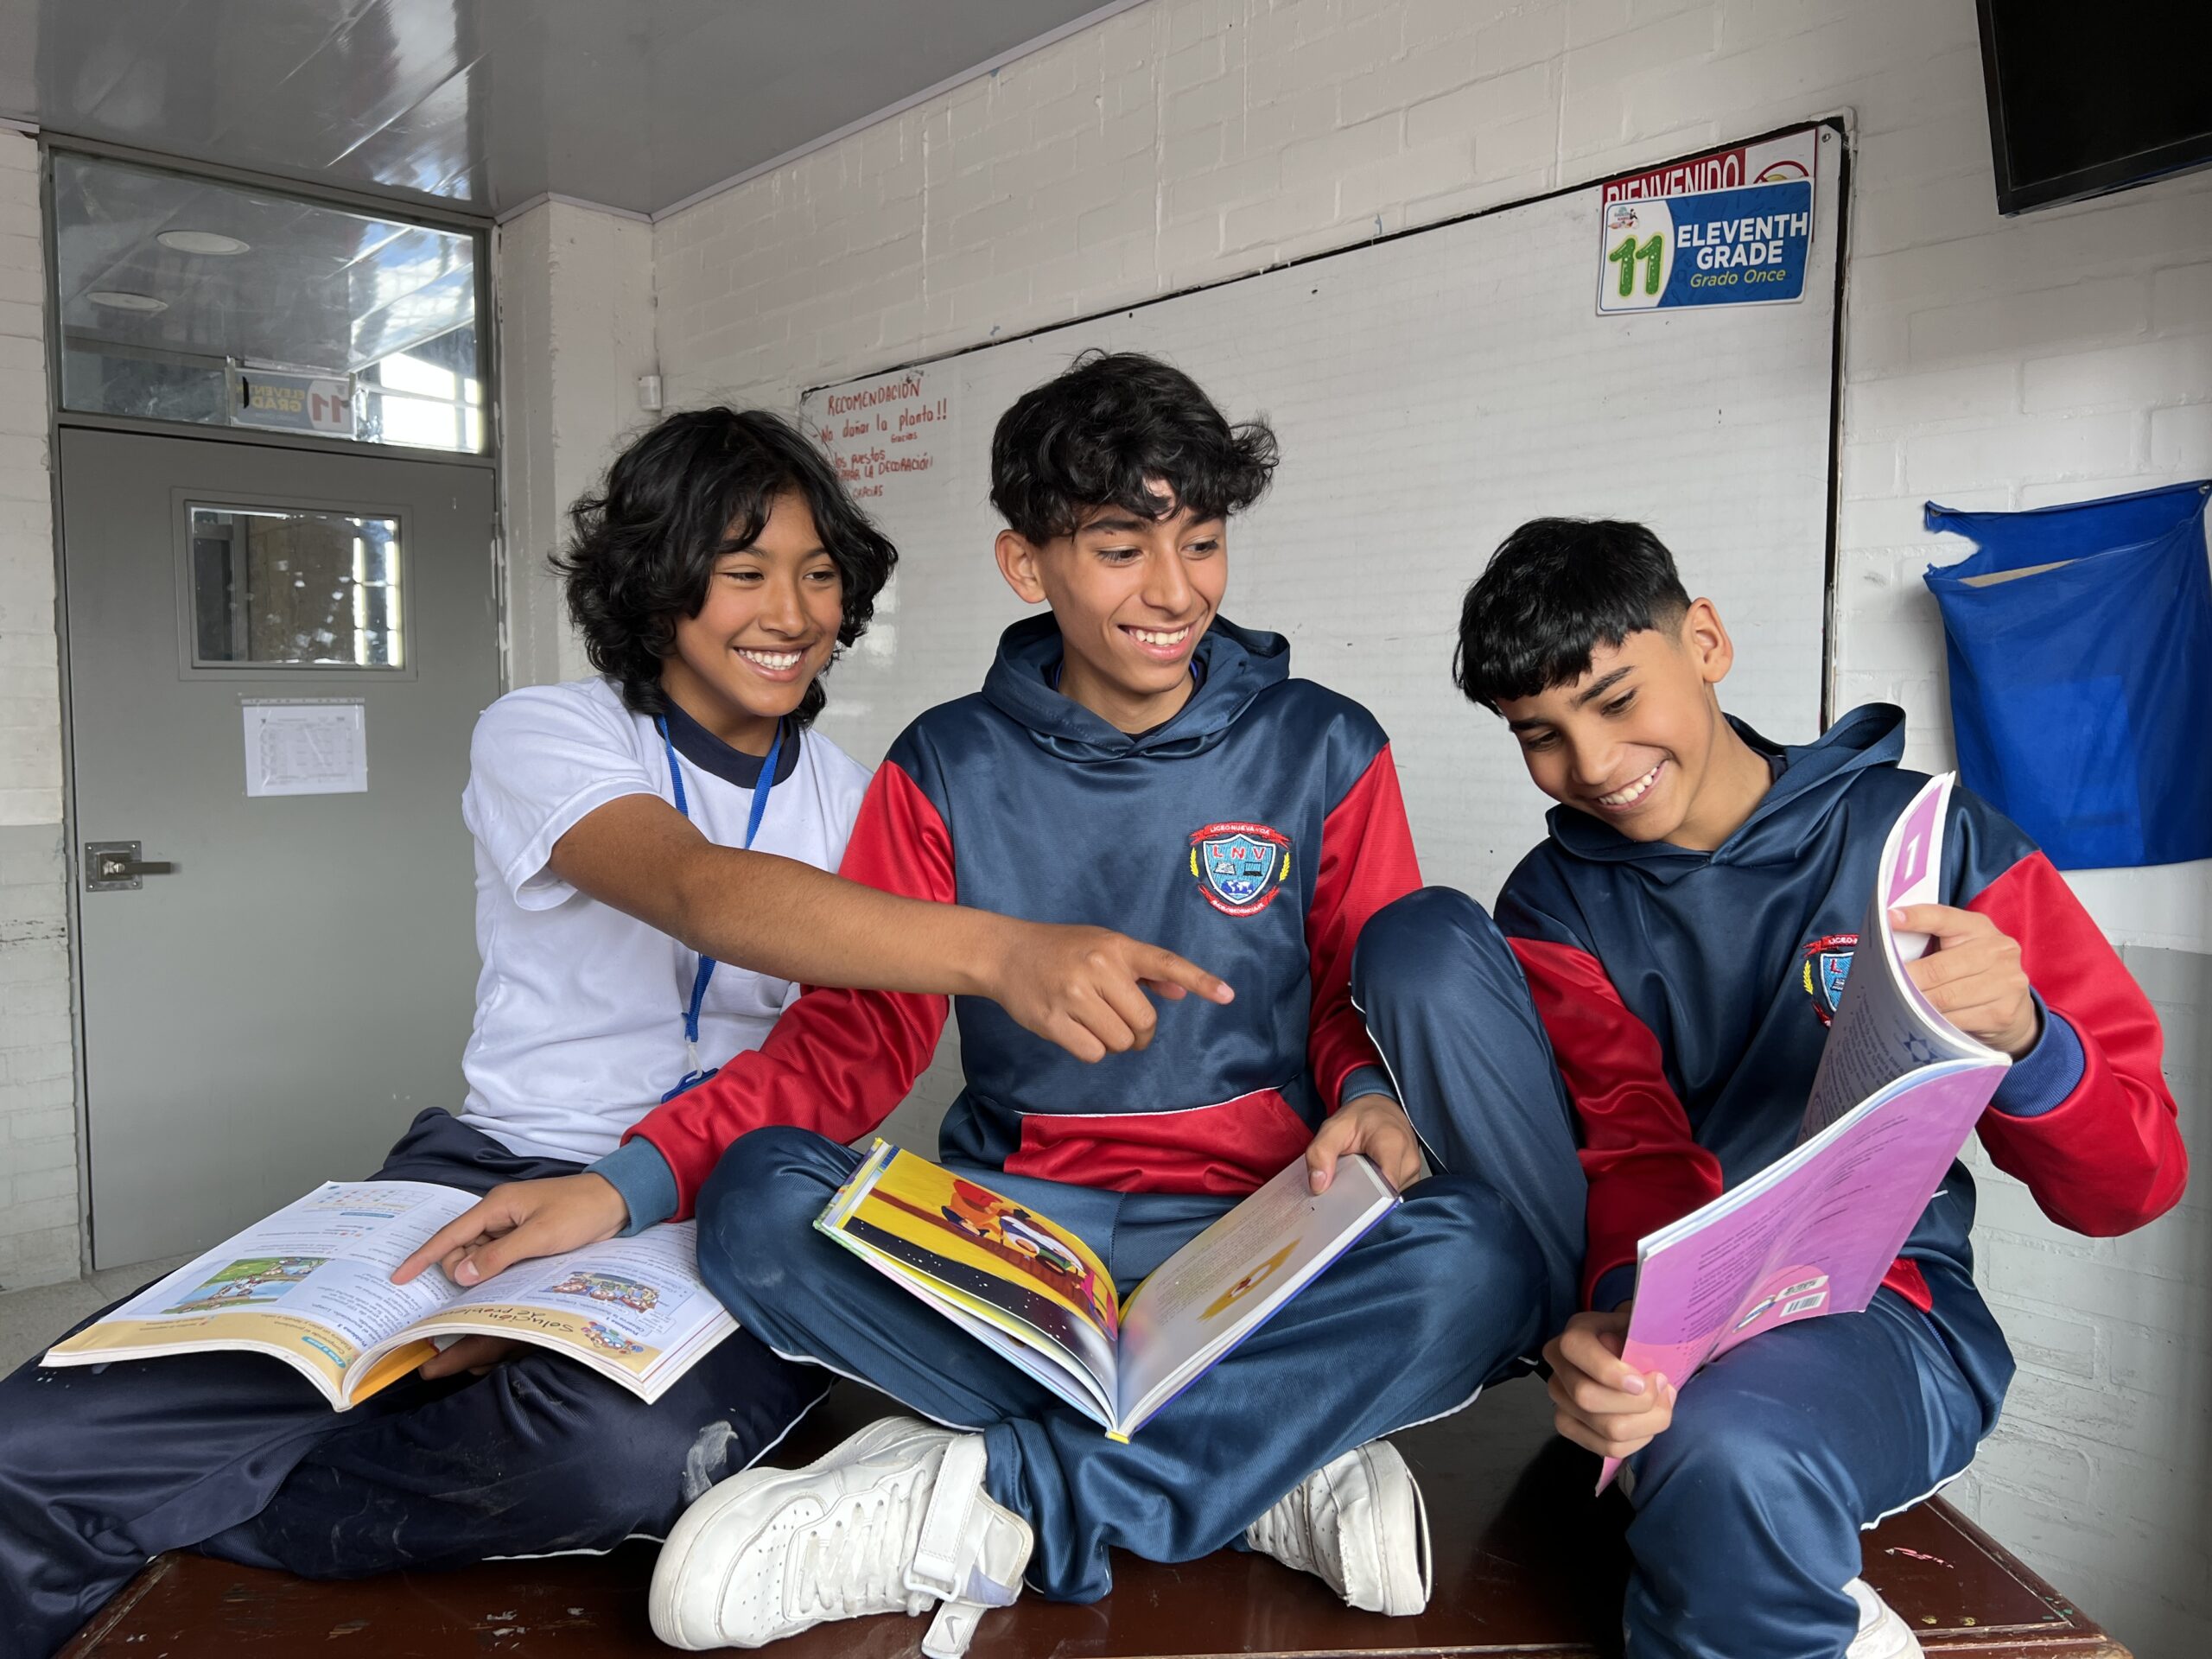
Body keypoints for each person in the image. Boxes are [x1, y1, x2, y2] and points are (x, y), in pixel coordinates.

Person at [402, 353, 1587, 1656]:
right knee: (758, 1199)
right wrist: (626, 1185)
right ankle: (1264, 1457)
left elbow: (1351, 1000)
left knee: (1482, 1256)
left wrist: (1364, 1094)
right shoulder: (940, 767)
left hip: (1265, 1228)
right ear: (1029, 566)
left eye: (1202, 543)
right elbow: (848, 1053)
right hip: (1024, 1238)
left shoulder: (1326, 744)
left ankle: (992, 1495)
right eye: (1124, 549)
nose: (1176, 590)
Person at [0, 407, 1226, 1659]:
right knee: (31, 1442)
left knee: (613, 1453)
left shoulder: (864, 802)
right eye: (743, 572)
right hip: (484, 1175)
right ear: (658, 585)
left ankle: (200, 1523)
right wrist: (999, 947)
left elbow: (861, 1050)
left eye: (818, 575)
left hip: (730, 1201)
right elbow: (698, 886)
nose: (791, 613)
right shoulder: (551, 731)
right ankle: (203, 1482)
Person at [1370, 517, 2187, 1659]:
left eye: (1614, 701)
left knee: (1729, 1455)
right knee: (1415, 941)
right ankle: (1770, 1560)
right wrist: (1632, 1334)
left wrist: (2029, 1037)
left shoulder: (1934, 842)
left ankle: (1775, 1555)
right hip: (1651, 1299)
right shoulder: (1552, 905)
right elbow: (1629, 1151)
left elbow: (2132, 1185)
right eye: (1539, 735)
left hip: (1875, 1310)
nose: (1593, 766)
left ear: (1705, 640)